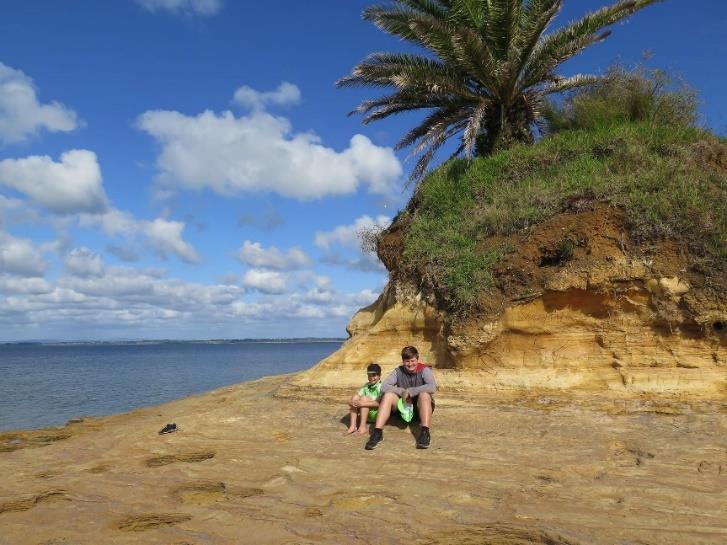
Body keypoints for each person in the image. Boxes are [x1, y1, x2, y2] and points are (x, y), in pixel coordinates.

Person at [365, 346, 436, 450]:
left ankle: (425, 432)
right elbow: (384, 387)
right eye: (407, 361)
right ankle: (377, 432)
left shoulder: (424, 370)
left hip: (420, 408)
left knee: (424, 394)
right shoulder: (398, 371)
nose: (410, 364)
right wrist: (402, 391)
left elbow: (432, 387)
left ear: (417, 359)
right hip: (403, 408)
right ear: (403, 361)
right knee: (388, 395)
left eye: (413, 361)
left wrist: (411, 391)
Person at [344, 363, 382, 436]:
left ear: (379, 375)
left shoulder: (381, 387)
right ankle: (353, 426)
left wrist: (362, 403)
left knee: (364, 398)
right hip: (366, 414)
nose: (371, 378)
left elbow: (380, 404)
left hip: (376, 415)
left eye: (374, 375)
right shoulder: (366, 386)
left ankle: (362, 427)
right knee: (355, 397)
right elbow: (356, 397)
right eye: (369, 375)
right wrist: (350, 402)